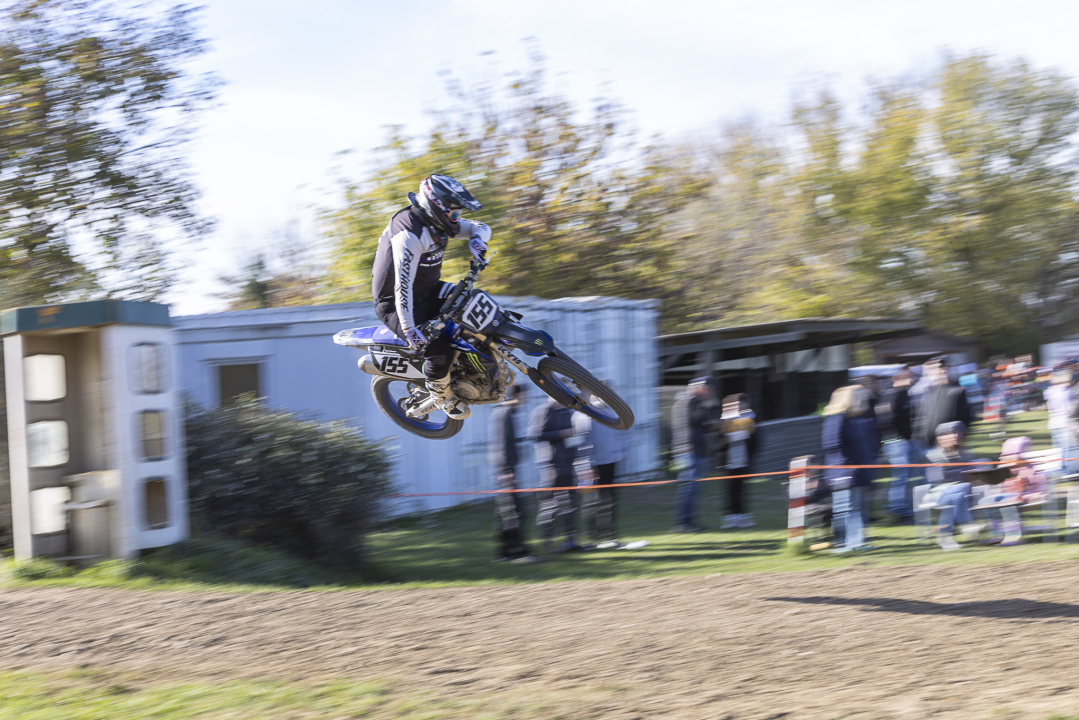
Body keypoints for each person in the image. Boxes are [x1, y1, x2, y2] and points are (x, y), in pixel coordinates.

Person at [370, 174, 492, 419]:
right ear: (436, 206)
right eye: (454, 212)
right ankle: (442, 396)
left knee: (473, 303)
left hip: (429, 289)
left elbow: (480, 226)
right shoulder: (409, 234)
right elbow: (402, 287)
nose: (456, 218)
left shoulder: (436, 222)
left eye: (458, 213)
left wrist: (478, 241)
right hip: (397, 304)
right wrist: (409, 329)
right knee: (438, 347)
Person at [572, 382, 629, 548]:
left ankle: (609, 535)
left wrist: (621, 451)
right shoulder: (586, 412)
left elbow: (623, 432)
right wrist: (585, 465)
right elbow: (582, 442)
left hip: (611, 461)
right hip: (593, 464)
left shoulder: (613, 411)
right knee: (593, 501)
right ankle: (593, 537)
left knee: (610, 500)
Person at [821, 385, 878, 549]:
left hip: (859, 472)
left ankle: (857, 542)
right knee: (845, 509)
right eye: (860, 396)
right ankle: (844, 543)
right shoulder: (836, 419)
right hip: (844, 474)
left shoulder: (857, 420)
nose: (864, 400)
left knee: (858, 508)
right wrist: (847, 468)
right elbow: (832, 446)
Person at [488, 383, 539, 563]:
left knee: (505, 512)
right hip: (506, 470)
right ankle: (519, 552)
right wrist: (506, 470)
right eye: (525, 395)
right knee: (514, 512)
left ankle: (503, 553)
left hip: (506, 468)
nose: (526, 398)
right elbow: (501, 443)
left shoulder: (505, 411)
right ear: (518, 395)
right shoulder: (505, 413)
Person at [529, 395, 581, 552]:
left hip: (567, 463)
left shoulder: (566, 411)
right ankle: (548, 542)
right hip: (550, 466)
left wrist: (577, 460)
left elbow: (573, 436)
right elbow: (535, 435)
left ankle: (570, 540)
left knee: (569, 503)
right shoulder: (541, 411)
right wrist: (562, 433)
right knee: (549, 505)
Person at [923, 421, 982, 550]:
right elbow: (935, 478)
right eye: (952, 433)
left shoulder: (963, 454)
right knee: (961, 489)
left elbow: (973, 471)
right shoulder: (933, 455)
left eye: (958, 433)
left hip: (962, 494)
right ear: (941, 438)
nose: (956, 436)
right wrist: (963, 474)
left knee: (959, 494)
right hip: (937, 494)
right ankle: (966, 524)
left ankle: (945, 538)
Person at [670, 377, 715, 533]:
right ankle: (685, 523)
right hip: (692, 449)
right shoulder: (693, 401)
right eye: (710, 389)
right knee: (691, 488)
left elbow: (691, 424)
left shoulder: (680, 400)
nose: (710, 393)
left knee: (686, 487)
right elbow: (696, 420)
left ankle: (685, 522)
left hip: (681, 450)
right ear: (703, 388)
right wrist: (707, 407)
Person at [913, 356, 974, 456]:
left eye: (945, 367)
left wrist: (958, 436)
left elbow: (968, 417)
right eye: (939, 368)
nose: (943, 370)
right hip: (930, 444)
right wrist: (921, 438)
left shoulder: (958, 391)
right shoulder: (928, 392)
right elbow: (922, 417)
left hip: (950, 443)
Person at [876, 369, 914, 521]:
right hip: (897, 441)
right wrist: (905, 436)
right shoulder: (897, 395)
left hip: (891, 441)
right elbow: (889, 420)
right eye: (908, 377)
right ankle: (897, 507)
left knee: (899, 476)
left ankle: (897, 505)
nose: (911, 380)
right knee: (900, 476)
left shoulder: (886, 395)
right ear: (898, 378)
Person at [719, 393, 757, 529]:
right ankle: (730, 517)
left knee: (742, 489)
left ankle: (742, 516)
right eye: (737, 404)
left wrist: (750, 456)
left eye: (741, 404)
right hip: (729, 461)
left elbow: (755, 441)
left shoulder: (751, 419)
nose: (739, 407)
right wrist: (725, 441)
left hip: (743, 460)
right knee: (730, 490)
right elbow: (720, 440)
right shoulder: (726, 419)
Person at [1044, 368, 1079, 474]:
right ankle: (1070, 471)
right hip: (1065, 422)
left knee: (1060, 449)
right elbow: (1070, 409)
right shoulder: (1067, 392)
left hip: (1053, 423)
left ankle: (1063, 470)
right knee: (1070, 449)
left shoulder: (1049, 391)